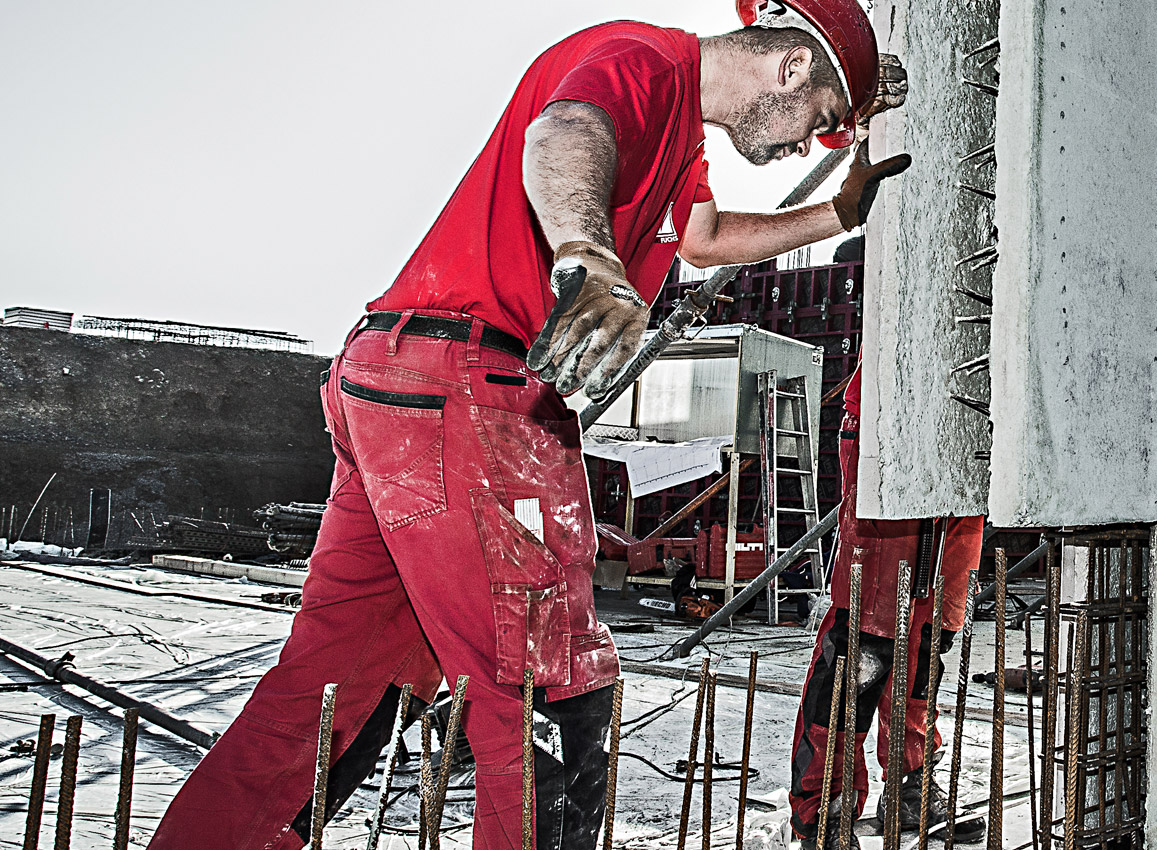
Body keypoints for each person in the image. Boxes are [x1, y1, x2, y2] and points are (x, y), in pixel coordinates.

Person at [148, 2, 907, 847]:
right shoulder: (642, 62)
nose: (809, 144)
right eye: (821, 124)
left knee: (338, 691)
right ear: (793, 69)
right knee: (556, 691)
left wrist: (838, 215)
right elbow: (566, 133)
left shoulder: (682, 138)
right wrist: (590, 258)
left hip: (399, 383)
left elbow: (704, 238)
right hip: (470, 385)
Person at [787, 364, 990, 847]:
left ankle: (910, 785)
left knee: (928, 638)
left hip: (971, 437)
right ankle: (826, 806)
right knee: (865, 642)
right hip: (893, 423)